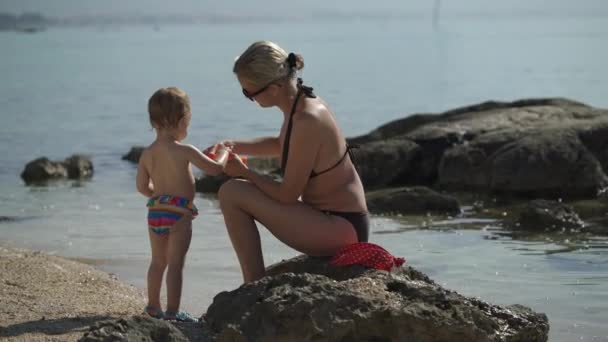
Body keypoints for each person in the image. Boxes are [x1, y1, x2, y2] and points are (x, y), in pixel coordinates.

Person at [207, 41, 369, 283]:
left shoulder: (307, 119)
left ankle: (253, 284)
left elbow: (287, 195)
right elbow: (281, 144)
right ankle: (253, 285)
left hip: (340, 228)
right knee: (233, 191)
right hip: (338, 221)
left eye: (248, 93)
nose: (249, 98)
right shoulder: (305, 102)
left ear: (273, 88)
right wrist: (233, 145)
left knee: (232, 193)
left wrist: (245, 172)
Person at [136, 87, 230, 321]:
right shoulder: (185, 150)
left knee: (158, 262)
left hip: (156, 212)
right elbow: (215, 168)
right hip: (179, 214)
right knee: (176, 265)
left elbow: (141, 187)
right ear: (180, 120)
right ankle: (172, 312)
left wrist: (159, 197)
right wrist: (224, 152)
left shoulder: (147, 154)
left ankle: (153, 307)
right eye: (188, 122)